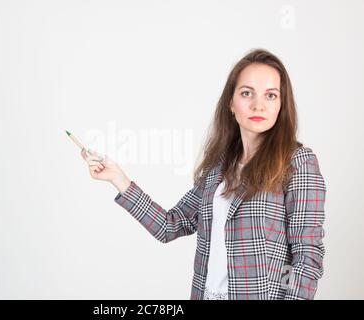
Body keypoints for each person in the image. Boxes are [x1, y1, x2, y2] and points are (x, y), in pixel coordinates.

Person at [80, 48, 326, 300]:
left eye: (271, 95)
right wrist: (118, 178)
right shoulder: (218, 168)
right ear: (231, 103)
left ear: (282, 104)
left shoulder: (298, 162)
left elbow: (307, 257)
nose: (258, 104)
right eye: (246, 93)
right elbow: (170, 225)